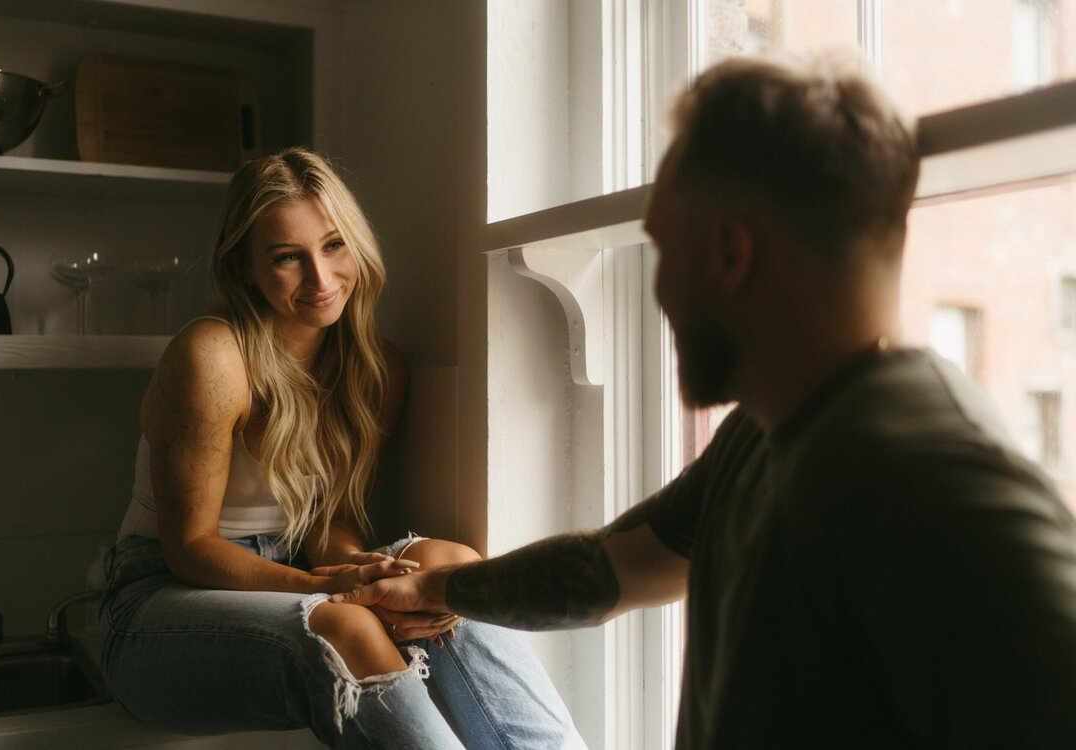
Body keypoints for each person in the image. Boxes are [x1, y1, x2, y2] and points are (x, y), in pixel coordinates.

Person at [333, 50, 1076, 748]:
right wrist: (438, 588)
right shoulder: (771, 429)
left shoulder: (928, 477)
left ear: (729, 251)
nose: (658, 291)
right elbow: (607, 569)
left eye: (664, 249)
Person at [99, 148, 587, 749]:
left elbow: (331, 522)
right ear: (246, 268)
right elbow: (190, 549)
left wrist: (359, 569)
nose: (321, 279)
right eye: (287, 258)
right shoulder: (212, 354)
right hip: (159, 606)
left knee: (450, 571)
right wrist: (329, 590)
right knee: (347, 626)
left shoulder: (378, 370)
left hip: (299, 570)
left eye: (333, 246)